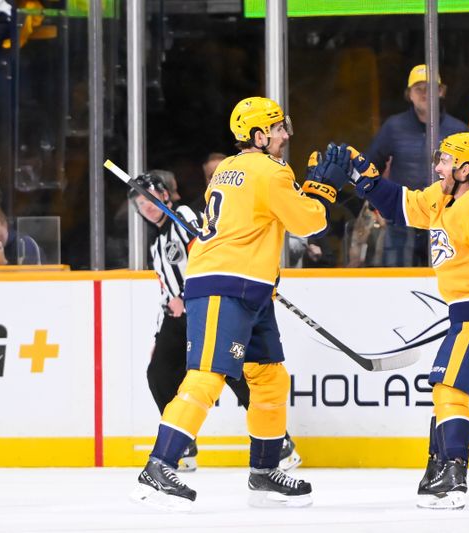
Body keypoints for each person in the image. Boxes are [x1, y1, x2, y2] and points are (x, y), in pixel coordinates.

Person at [131, 96, 352, 511]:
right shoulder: (269, 170)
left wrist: (304, 192)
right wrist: (324, 188)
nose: (286, 134)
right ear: (259, 134)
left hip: (249, 287)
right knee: (207, 377)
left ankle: (265, 470)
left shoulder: (231, 169)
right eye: (279, 128)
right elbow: (311, 224)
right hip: (225, 285)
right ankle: (159, 467)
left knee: (269, 378)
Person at [348, 133, 469, 510]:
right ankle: (438, 467)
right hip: (468, 309)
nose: (438, 167)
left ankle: (453, 475)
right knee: (443, 386)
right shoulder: (440, 197)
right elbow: (401, 205)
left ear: (467, 169)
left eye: (447, 161)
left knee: (449, 386)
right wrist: (363, 180)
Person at [129, 171, 301, 473]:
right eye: (141, 204)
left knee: (231, 371)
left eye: (151, 198)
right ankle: (183, 443)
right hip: (175, 320)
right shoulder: (156, 246)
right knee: (158, 373)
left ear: (165, 195)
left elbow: (207, 249)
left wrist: (187, 293)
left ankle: (279, 444)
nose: (147, 207)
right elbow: (165, 292)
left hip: (204, 305)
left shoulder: (183, 216)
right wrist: (159, 336)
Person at [367, 64, 469, 267]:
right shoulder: (393, 127)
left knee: (447, 276)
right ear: (409, 94)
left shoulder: (459, 130)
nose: (424, 93)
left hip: (447, 217)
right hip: (403, 216)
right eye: (418, 88)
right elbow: (371, 165)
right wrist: (376, 203)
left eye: (430, 88)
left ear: (441, 92)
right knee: (397, 280)